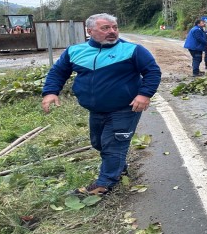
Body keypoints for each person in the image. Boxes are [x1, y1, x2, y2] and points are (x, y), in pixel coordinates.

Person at [41, 13, 161, 196]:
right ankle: (118, 167)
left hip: (125, 108)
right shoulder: (75, 51)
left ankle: (104, 184)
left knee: (113, 144)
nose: (112, 31)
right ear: (89, 31)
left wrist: (144, 95)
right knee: (98, 143)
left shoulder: (132, 50)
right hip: (95, 110)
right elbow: (58, 72)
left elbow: (152, 72)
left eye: (114, 27)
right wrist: (50, 92)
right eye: (105, 28)